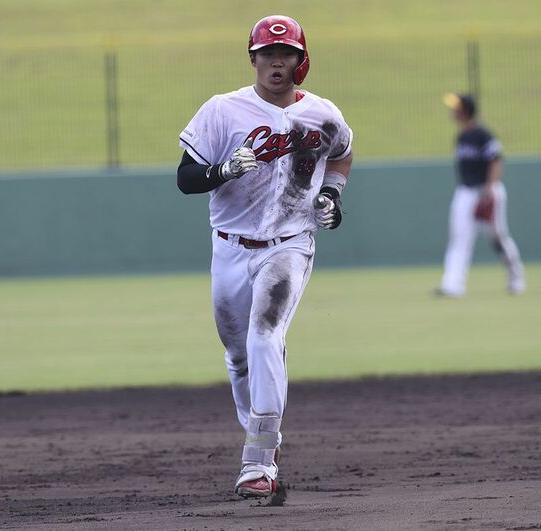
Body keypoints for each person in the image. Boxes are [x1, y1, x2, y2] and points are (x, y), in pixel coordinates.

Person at [176, 15, 353, 498]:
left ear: (301, 60)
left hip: (290, 244)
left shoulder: (322, 114)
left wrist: (332, 195)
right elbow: (186, 178)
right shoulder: (222, 110)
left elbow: (341, 153)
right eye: (268, 54)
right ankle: (264, 441)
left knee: (264, 338)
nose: (277, 62)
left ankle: (258, 461)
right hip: (230, 247)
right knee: (238, 358)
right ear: (253, 59)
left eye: (286, 54)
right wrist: (222, 170)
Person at [437, 93, 525, 297]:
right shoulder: (461, 136)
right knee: (459, 237)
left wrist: (490, 188)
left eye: (456, 108)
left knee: (498, 237)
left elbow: (496, 160)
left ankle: (515, 276)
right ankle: (453, 284)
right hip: (466, 192)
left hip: (487, 190)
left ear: (465, 112)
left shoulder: (483, 135)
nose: (452, 112)